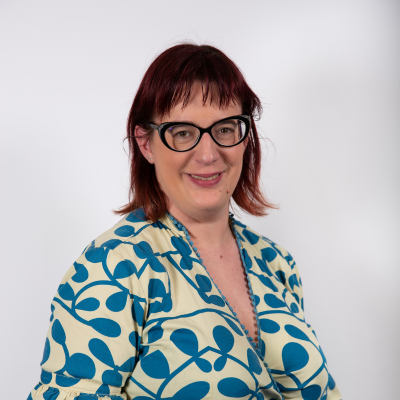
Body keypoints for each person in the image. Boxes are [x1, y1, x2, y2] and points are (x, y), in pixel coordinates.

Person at [28, 44, 341, 400]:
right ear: (145, 143)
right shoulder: (112, 268)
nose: (208, 154)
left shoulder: (276, 263)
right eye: (182, 132)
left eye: (225, 129)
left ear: (245, 138)